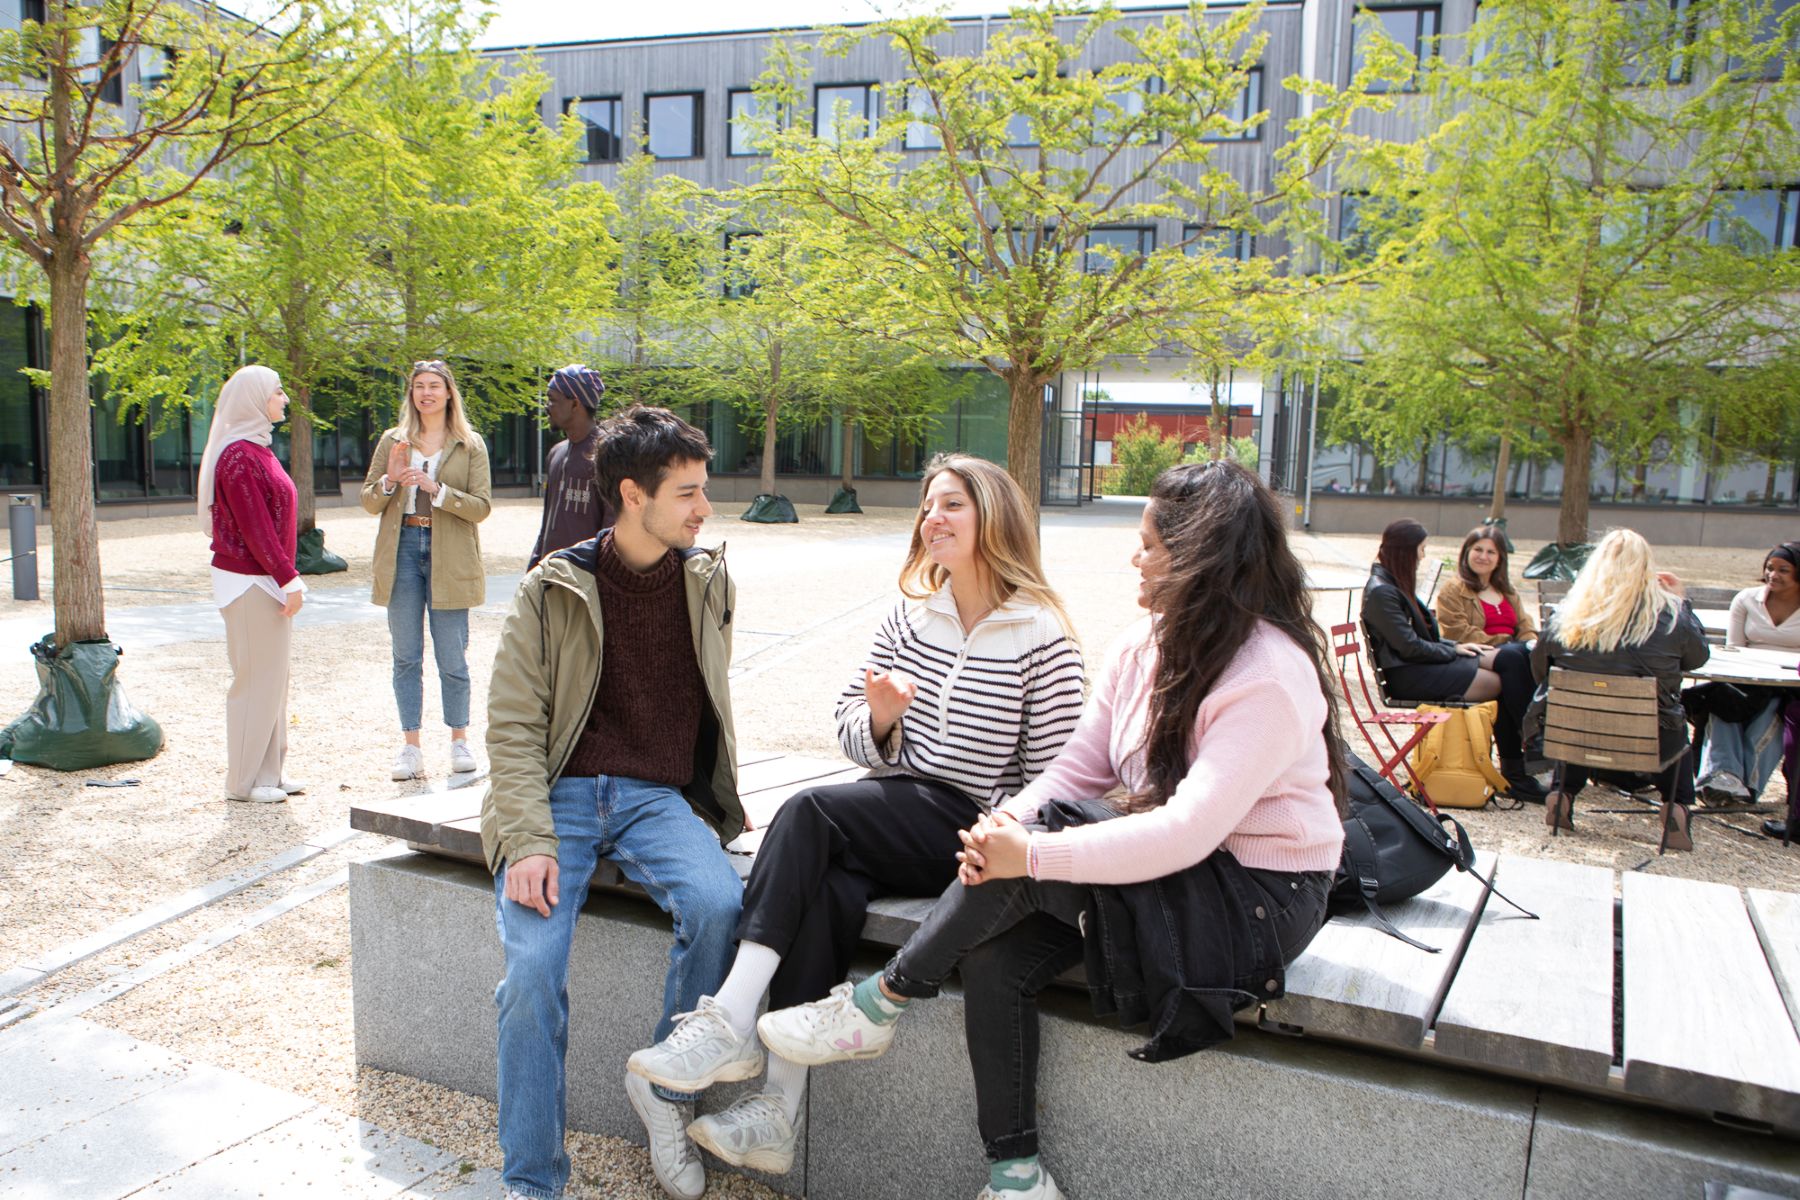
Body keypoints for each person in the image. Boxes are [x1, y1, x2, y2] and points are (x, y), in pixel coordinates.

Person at [755, 461, 1346, 1200]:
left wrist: (1030, 851)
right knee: (998, 956)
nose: (1135, 558)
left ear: (1201, 558)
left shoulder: (1266, 675)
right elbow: (1075, 771)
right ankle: (1017, 1178)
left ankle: (881, 1003)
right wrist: (1001, 825)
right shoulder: (1145, 646)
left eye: (1149, 546)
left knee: (1039, 855)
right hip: (1174, 874)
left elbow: (1188, 831)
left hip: (1256, 900)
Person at [624, 454, 1087, 1177]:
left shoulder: (1041, 636)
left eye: (953, 505)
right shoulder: (910, 615)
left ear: (995, 516)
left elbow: (1057, 777)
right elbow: (846, 722)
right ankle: (779, 1108)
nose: (933, 518)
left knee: (808, 812)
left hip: (970, 827)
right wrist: (879, 725)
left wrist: (1000, 838)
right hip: (896, 806)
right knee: (828, 884)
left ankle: (731, 1017)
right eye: (929, 505)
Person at [483, 405, 745, 1200]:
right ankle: (532, 1180)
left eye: (704, 491)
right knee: (532, 974)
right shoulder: (553, 586)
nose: (704, 509)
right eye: (689, 494)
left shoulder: (707, 579)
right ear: (634, 495)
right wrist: (527, 838)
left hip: (654, 799)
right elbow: (513, 724)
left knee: (719, 904)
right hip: (556, 799)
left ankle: (667, 1095)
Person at [1527, 529, 1709, 852]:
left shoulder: (1567, 613)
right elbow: (1698, 657)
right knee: (1672, 727)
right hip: (1651, 732)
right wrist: (1682, 601)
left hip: (1577, 729)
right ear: (1646, 568)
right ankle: (1675, 807)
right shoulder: (1670, 614)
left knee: (1579, 714)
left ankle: (1562, 794)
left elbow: (1541, 669)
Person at [360, 360, 492, 781]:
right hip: (401, 551)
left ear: (449, 393)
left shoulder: (469, 444)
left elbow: (482, 507)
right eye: (419, 386)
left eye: (434, 386)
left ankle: (458, 740)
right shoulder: (393, 440)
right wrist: (390, 482)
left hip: (449, 553)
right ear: (411, 393)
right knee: (405, 655)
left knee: (452, 656)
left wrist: (438, 490)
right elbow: (368, 499)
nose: (426, 393)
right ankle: (411, 747)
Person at [1362, 519, 1544, 801]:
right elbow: (1410, 647)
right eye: (1421, 549)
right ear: (1406, 551)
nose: (1423, 555)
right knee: (1504, 677)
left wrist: (1455, 647)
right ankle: (1525, 754)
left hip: (1420, 667)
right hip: (1409, 676)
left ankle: (1523, 756)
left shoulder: (1391, 584)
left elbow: (1419, 641)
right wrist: (1453, 650)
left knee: (1513, 657)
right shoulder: (1383, 591)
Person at [196, 364, 306, 804]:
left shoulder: (258, 449)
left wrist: (283, 578)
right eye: (278, 392)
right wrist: (289, 577)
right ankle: (243, 783)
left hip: (263, 580)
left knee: (273, 681)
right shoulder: (239, 455)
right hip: (247, 581)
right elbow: (255, 527)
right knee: (255, 681)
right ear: (255, 399)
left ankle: (269, 774)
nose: (284, 399)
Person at [1692, 544, 1800, 809]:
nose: (1773, 574)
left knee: (1771, 714)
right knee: (1720, 704)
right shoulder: (1746, 599)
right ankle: (1722, 778)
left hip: (1789, 685)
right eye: (1769, 568)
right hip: (1747, 677)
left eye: (1783, 570)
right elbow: (1734, 649)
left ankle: (1746, 787)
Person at [528, 364, 614, 568]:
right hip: (551, 576)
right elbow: (547, 523)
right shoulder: (556, 453)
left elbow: (613, 528)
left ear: (575, 404)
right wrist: (534, 567)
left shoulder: (608, 453)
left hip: (587, 583)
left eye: (553, 400)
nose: (547, 406)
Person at [1433, 525, 1537, 647]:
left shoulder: (1508, 590)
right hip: (1477, 653)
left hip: (1514, 650)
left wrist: (1530, 642)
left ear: (1499, 559)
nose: (1483, 557)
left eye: (1491, 552)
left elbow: (1524, 624)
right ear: (1467, 553)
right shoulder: (1453, 589)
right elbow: (1456, 632)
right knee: (1511, 657)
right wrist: (1505, 642)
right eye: (1478, 550)